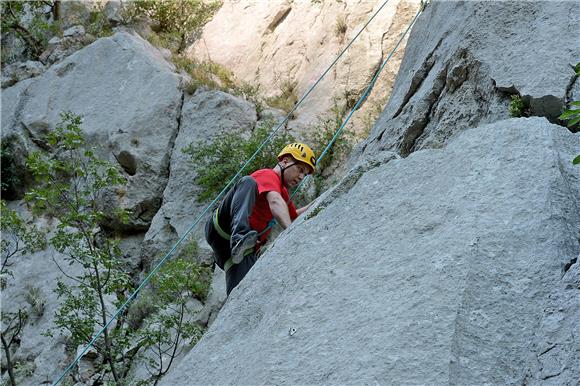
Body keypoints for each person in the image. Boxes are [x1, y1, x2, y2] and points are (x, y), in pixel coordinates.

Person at [205, 142, 316, 295]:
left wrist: (321, 201)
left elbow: (293, 217)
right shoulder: (268, 175)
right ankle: (240, 237)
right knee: (248, 182)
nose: (301, 176)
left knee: (242, 294)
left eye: (305, 174)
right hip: (223, 227)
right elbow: (275, 202)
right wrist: (292, 233)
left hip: (237, 251)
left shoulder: (283, 193)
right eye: (300, 169)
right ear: (285, 161)